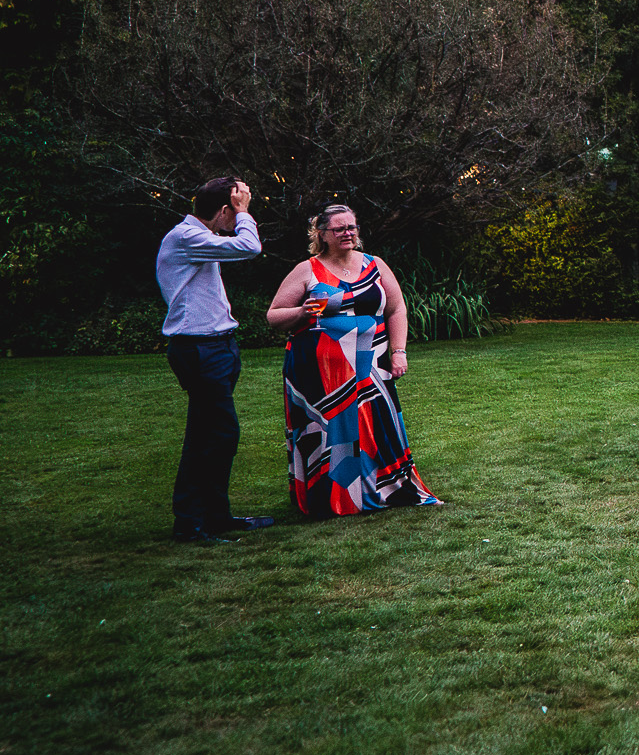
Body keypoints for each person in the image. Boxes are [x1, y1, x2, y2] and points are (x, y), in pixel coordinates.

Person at [267, 204, 441, 516]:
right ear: (322, 234)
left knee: (377, 427)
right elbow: (274, 316)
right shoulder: (308, 270)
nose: (348, 233)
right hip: (321, 374)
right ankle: (333, 498)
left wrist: (398, 352)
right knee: (331, 432)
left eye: (352, 227)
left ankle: (386, 490)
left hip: (371, 365)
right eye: (339, 229)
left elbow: (397, 308)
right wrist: (302, 312)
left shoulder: (375, 265)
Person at [156, 176, 273, 544]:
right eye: (234, 209)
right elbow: (249, 247)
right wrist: (245, 213)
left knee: (212, 434)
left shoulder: (200, 240)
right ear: (224, 210)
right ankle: (190, 524)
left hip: (217, 347)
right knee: (215, 433)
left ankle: (215, 517)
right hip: (199, 349)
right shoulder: (186, 237)